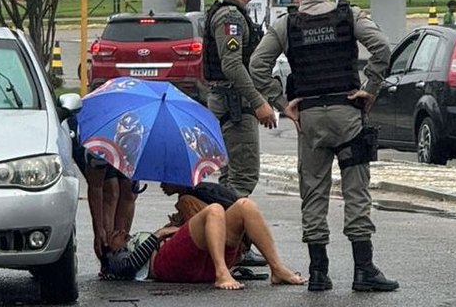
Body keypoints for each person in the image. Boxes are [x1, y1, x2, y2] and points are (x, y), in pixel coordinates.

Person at [249, 0, 399, 293]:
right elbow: (383, 49)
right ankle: (363, 270)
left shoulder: (287, 23)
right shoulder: (350, 16)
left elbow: (257, 65)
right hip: (348, 111)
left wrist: (280, 102)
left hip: (311, 115)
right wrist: (370, 89)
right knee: (356, 190)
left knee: (313, 191)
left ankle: (319, 272)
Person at [202, 0, 278, 199]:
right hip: (234, 106)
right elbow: (232, 64)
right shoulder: (231, 17)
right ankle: (223, 229)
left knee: (229, 179)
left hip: (228, 102)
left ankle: (224, 232)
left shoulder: (227, 13)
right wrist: (259, 102)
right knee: (243, 177)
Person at [102, 198, 306, 290]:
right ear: (110, 247)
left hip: (196, 259)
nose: (121, 231)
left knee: (246, 206)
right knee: (214, 210)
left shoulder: (137, 238)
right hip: (169, 265)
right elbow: (129, 266)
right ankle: (222, 273)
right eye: (114, 235)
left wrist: (175, 227)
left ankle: (277, 268)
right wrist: (159, 234)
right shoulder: (115, 259)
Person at [69, 114, 137, 273]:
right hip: (95, 139)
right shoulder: (98, 143)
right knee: (110, 190)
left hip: (127, 139)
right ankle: (106, 253)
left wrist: (121, 239)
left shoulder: (136, 138)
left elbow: (129, 196)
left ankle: (119, 251)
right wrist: (99, 230)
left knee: (128, 189)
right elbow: (96, 187)